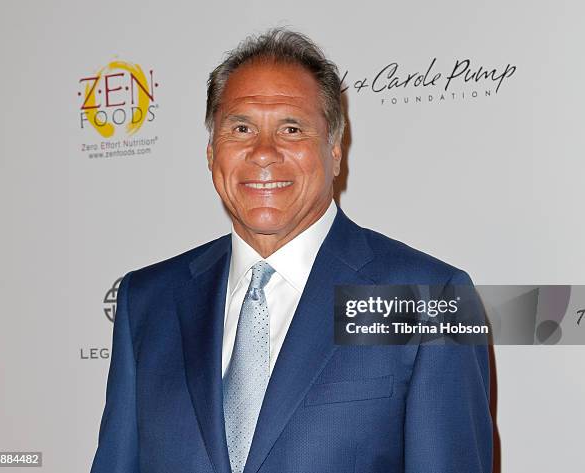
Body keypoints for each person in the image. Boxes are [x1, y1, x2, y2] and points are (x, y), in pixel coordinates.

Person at [90, 28, 492, 473]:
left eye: (292, 128)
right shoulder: (147, 300)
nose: (264, 152)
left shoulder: (428, 299)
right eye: (241, 128)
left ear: (335, 152)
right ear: (210, 153)